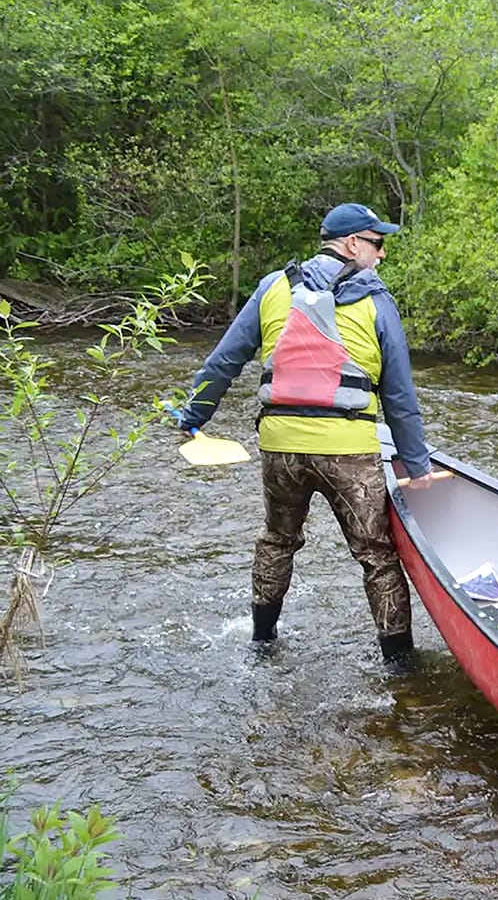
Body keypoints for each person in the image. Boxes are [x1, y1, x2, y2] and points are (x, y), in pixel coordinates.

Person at [177, 202, 434, 663]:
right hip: (349, 452)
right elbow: (399, 395)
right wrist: (417, 467)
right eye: (378, 244)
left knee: (277, 540)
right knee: (376, 555)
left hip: (281, 448)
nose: (382, 255)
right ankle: (399, 666)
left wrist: (194, 416)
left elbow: (224, 361)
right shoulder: (377, 300)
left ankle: (261, 642)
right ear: (353, 244)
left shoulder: (273, 287)